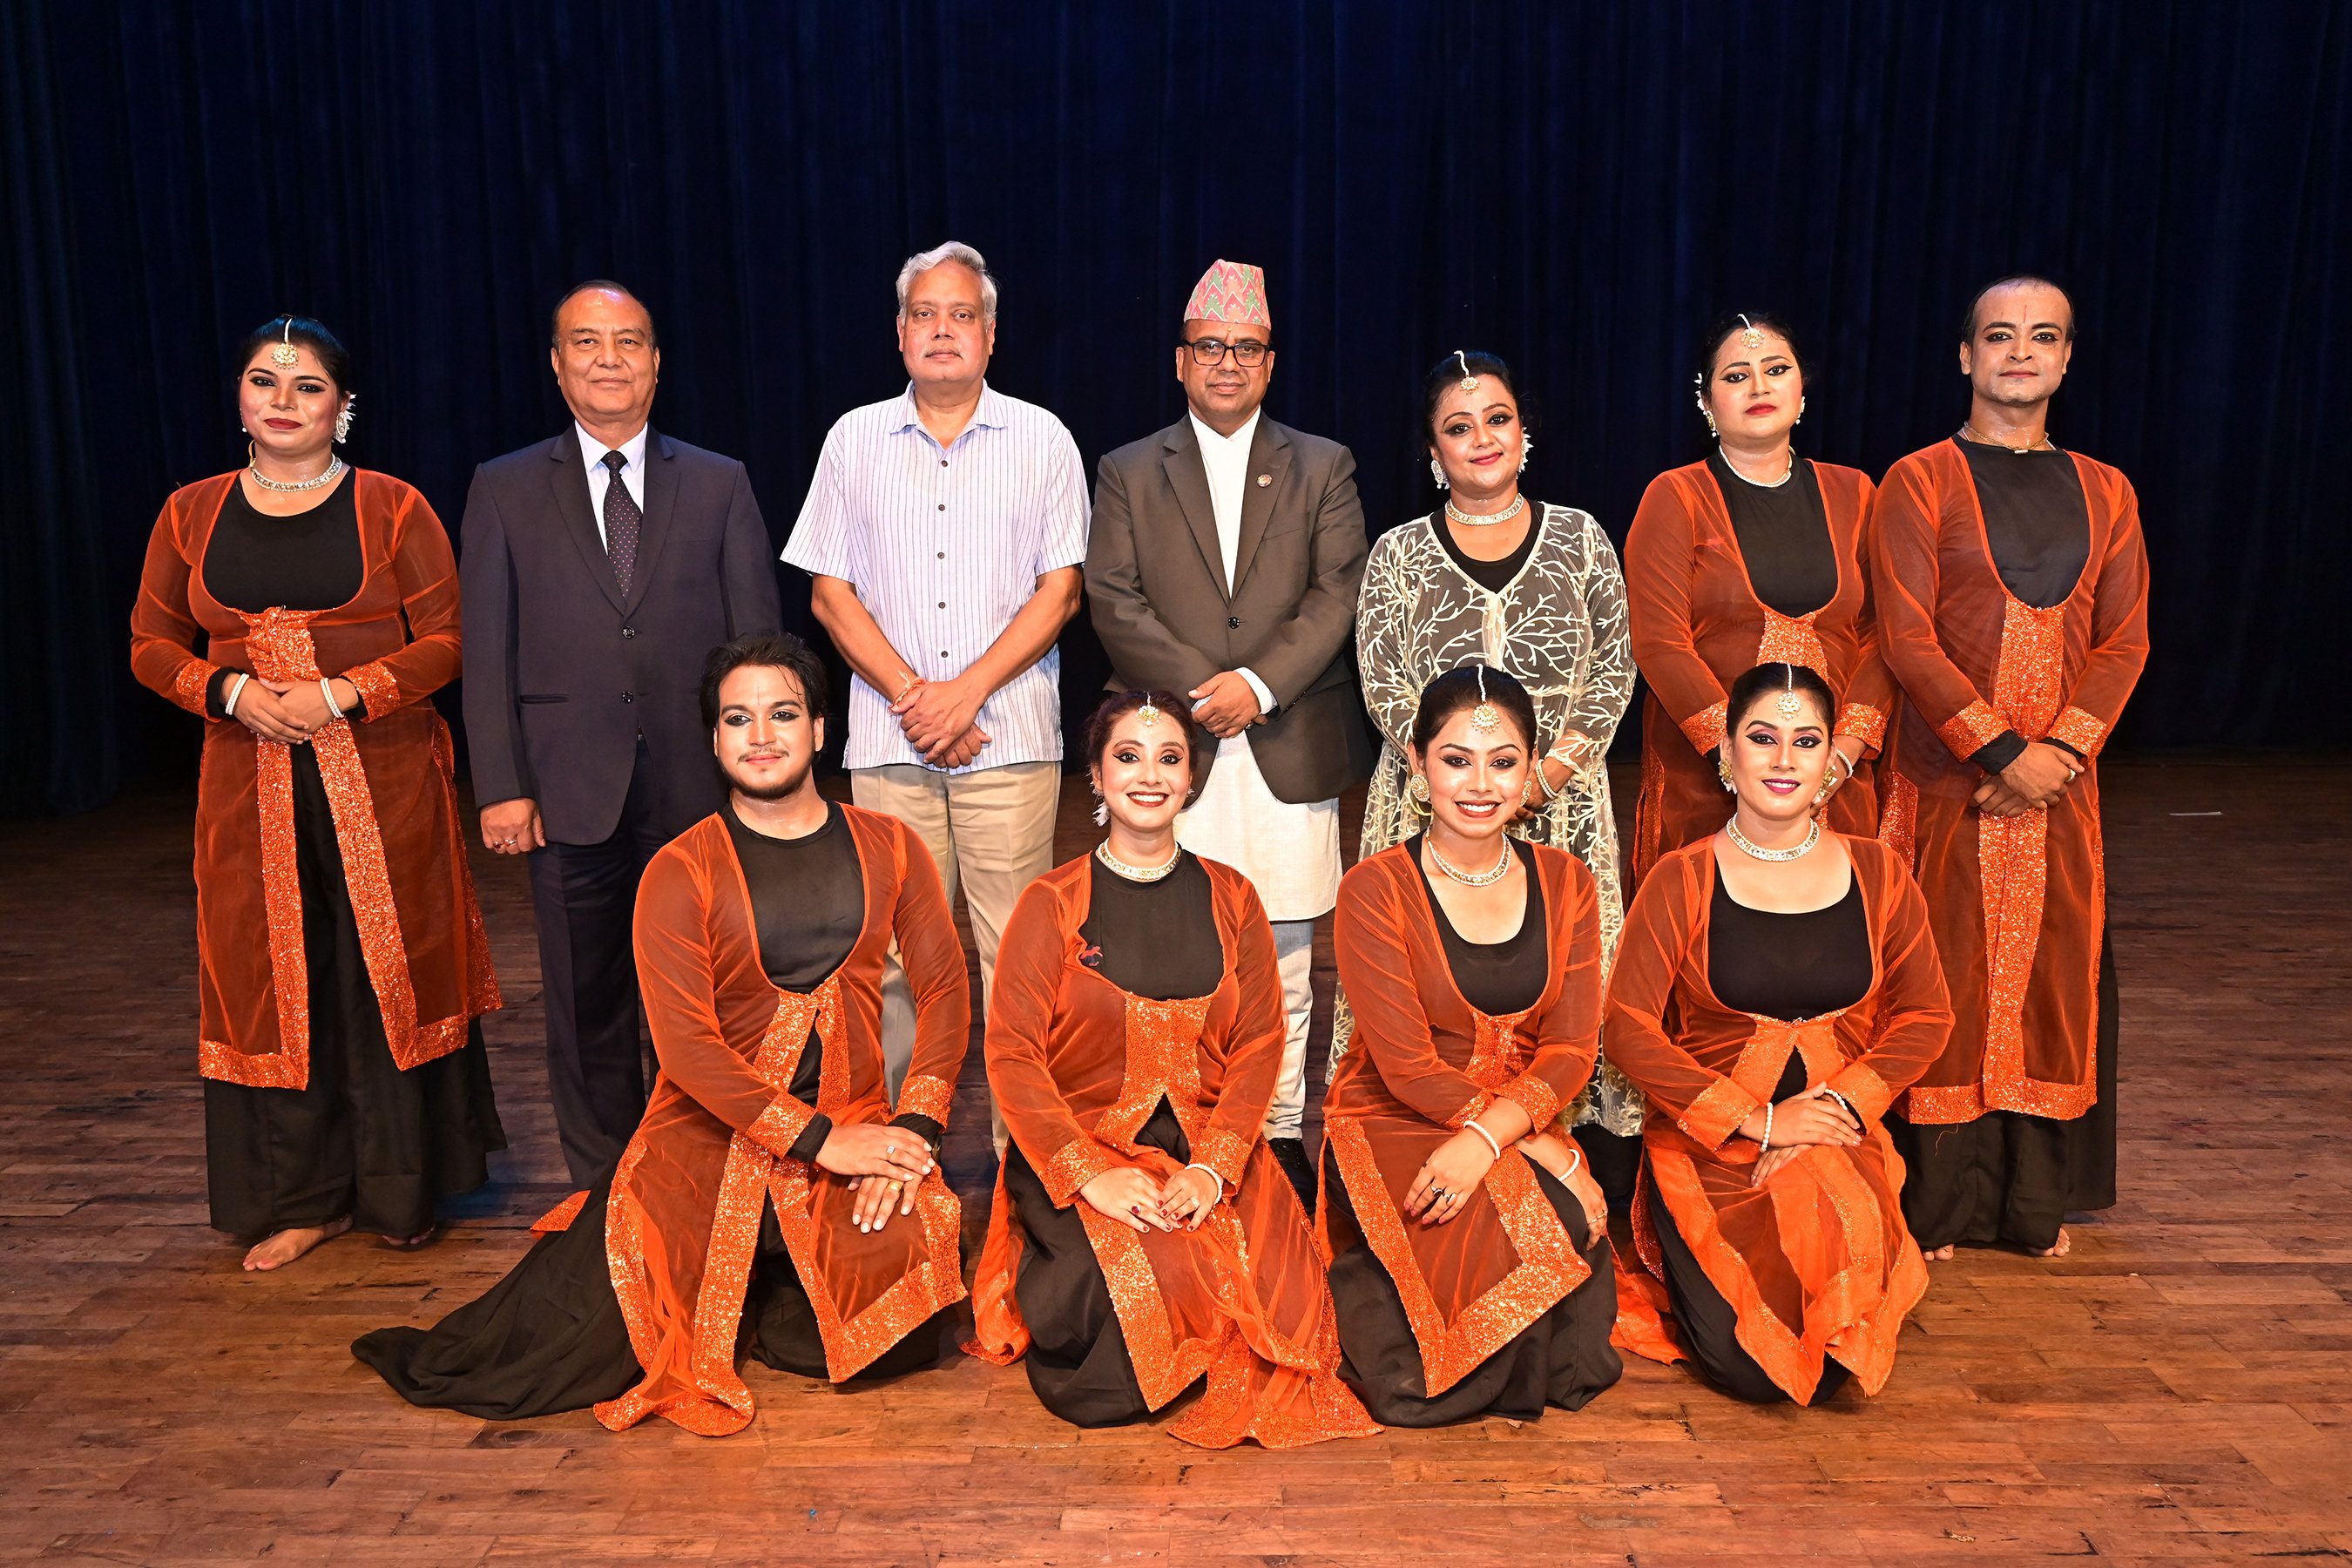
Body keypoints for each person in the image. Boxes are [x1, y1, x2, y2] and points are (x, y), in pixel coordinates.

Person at [355, 634, 970, 1435]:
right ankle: (745, 1268)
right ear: (714, 739)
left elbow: (946, 988)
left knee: (907, 1328)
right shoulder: (682, 869)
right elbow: (687, 1052)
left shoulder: (890, 845)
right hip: (708, 1145)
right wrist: (821, 1142)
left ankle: (769, 1280)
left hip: (853, 1128)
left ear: (821, 729)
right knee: (569, 1351)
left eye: (783, 714)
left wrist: (913, 1132)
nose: (761, 737)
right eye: (737, 719)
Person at [128, 315, 504, 1272]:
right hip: (245, 786)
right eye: (265, 382)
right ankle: (301, 1198)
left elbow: (451, 639)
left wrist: (343, 691)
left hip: (380, 779)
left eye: (306, 388)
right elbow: (149, 644)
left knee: (384, 972)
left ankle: (398, 1190)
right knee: (278, 983)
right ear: (240, 398)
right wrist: (234, 691)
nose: (283, 402)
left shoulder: (394, 507)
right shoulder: (189, 512)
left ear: (344, 408)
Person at [968, 691, 1379, 1448]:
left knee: (1293, 1298)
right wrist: (1090, 1172)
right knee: (1139, 1295)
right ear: (1095, 776)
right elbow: (1013, 1055)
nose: (1148, 775)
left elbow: (1260, 1043)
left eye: (1169, 759)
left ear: (1191, 778)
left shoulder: (1234, 898)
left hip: (1206, 1147)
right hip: (1080, 1149)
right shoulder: (1049, 903)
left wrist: (1215, 1168)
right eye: (1127, 757)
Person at [460, 280, 782, 1184]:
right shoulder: (505, 487)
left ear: (656, 363)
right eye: (588, 343)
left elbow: (759, 649)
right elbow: (486, 650)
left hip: (699, 790)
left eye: (629, 342)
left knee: (708, 998)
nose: (610, 359)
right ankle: (608, 1187)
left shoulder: (719, 483)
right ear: (557, 365)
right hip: (564, 791)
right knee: (585, 998)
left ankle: (711, 1172)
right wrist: (500, 785)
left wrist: (762, 780)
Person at [1871, 276, 2150, 1260]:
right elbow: (1905, 636)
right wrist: (1997, 749)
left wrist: (2057, 757)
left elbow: (2123, 643)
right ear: (1966, 356)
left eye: (2043, 337)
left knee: (2049, 976)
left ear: (2068, 359)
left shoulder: (2108, 490)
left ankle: (2029, 1207)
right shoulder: (1919, 480)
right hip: (1948, 781)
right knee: (1940, 976)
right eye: (1999, 336)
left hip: (2059, 797)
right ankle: (1937, 1211)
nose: (2020, 353)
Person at [1084, 259, 1371, 1206]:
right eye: (1210, 347)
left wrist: (1258, 683)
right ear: (1179, 361)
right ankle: (1175, 1126)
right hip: (1178, 745)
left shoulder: (1323, 465)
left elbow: (1340, 592)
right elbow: (1112, 599)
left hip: (1284, 743)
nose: (1227, 364)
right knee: (1177, 949)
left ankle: (1280, 1140)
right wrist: (1203, 692)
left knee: (1286, 967)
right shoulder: (1128, 469)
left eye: (1245, 349)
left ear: (1270, 362)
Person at [785, 240, 1086, 1132]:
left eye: (962, 316)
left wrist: (967, 695)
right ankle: (900, 1158)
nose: (943, 330)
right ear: (900, 333)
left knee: (1016, 957)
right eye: (926, 314)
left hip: (1010, 740)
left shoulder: (1043, 437)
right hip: (890, 744)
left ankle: (1018, 1161)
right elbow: (828, 594)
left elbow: (1061, 590)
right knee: (890, 959)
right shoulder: (852, 439)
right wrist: (922, 697)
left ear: (991, 337)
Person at [1607, 663, 1951, 1405]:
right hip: (1712, 1143)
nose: (1783, 760)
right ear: (1727, 753)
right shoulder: (1681, 878)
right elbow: (1626, 1026)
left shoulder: (1880, 872)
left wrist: (1834, 1112)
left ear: (1833, 760)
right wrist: (1758, 1120)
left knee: (1832, 1365)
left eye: (1806, 741)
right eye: (1762, 738)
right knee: (1746, 1367)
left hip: (1837, 1131)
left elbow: (1928, 1015)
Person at [1347, 351, 1641, 1169]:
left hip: (1564, 811)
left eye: (1498, 419)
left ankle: (1576, 1152)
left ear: (1525, 431)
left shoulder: (1581, 539)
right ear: (1432, 453)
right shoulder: (1397, 554)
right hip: (1429, 809)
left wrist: (1544, 776)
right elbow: (1383, 681)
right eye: (1458, 427)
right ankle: (1432, 1131)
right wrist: (1466, 784)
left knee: (1567, 992)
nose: (1482, 439)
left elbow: (1615, 669)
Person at [1321, 665, 1620, 1424]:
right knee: (1420, 1362)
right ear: (1419, 768)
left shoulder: (1569, 881)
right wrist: (1548, 1149)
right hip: (1396, 1113)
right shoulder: (1375, 888)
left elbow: (1571, 1051)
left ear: (1529, 770)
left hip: (1514, 1112)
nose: (1480, 782)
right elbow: (1408, 1066)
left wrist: (1493, 1138)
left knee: (1564, 1272)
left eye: (1503, 760)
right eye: (1456, 759)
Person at [1625, 312, 1897, 885]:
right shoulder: (1675, 497)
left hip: (1834, 778)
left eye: (1776, 369)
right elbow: (1660, 643)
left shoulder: (1856, 493)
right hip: (1710, 781)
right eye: (1735, 375)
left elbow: (1880, 636)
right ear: (1705, 402)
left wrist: (1842, 752)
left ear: (1801, 391)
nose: (1759, 385)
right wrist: (1740, 756)